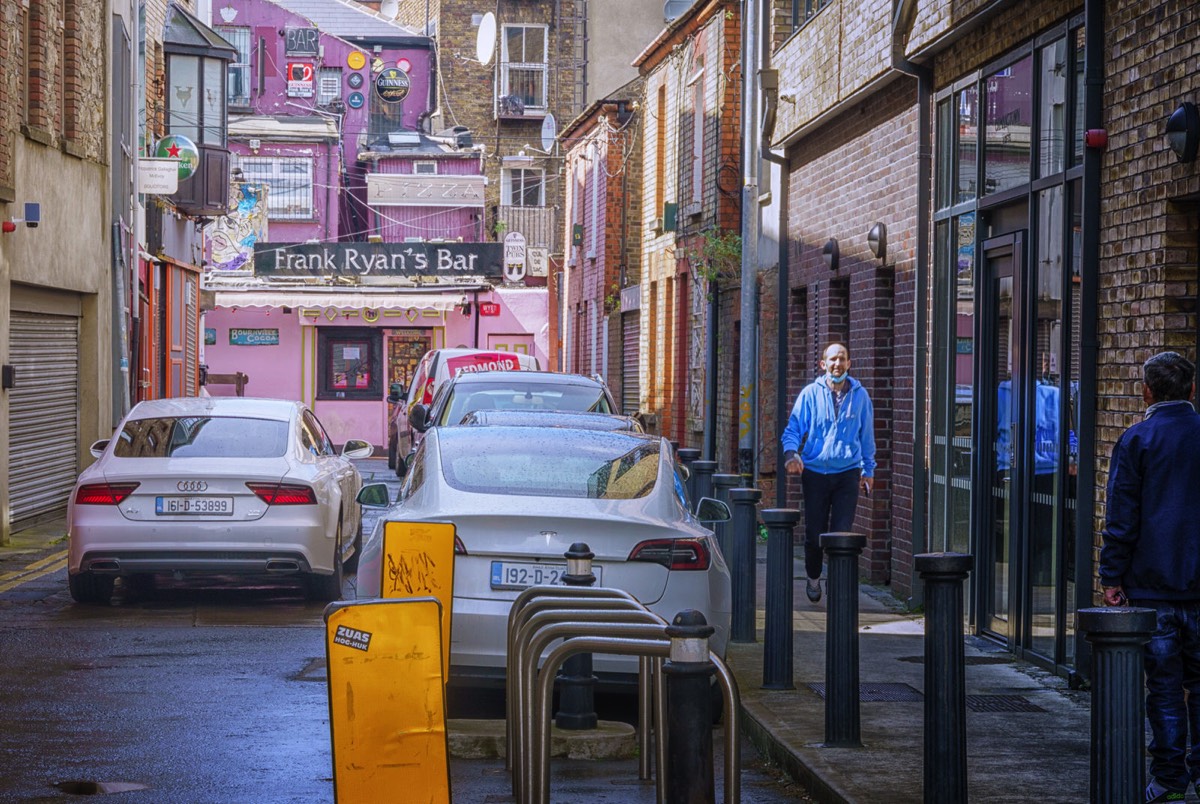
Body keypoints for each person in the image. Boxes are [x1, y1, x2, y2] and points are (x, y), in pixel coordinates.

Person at [1098, 351, 1200, 804]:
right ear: (1192, 390)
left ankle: (1169, 780)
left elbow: (1122, 515)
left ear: (1147, 391)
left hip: (1150, 587)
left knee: (1162, 688)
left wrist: (1111, 575)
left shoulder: (1137, 440)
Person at [780, 343, 876, 603]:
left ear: (849, 363)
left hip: (847, 472)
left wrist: (868, 471)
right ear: (823, 364)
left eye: (842, 358)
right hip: (815, 472)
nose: (837, 363)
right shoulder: (810, 394)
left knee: (841, 532)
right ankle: (813, 576)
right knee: (814, 534)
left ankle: (836, 582)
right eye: (832, 359)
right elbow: (793, 429)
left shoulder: (860, 396)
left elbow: (867, 437)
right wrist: (791, 454)